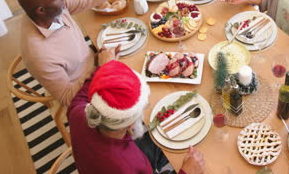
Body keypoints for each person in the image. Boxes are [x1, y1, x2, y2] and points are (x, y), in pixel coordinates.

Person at [17, 0, 156, 106]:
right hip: (86, 91)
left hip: (95, 62)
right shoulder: (38, 54)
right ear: (41, 11)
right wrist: (101, 68)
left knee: (145, 61)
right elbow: (68, 99)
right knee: (143, 92)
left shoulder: (49, 9)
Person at [68, 59, 205, 174]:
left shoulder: (78, 113)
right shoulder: (125, 166)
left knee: (163, 135)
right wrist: (186, 171)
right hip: (128, 165)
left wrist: (105, 71)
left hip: (99, 159)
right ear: (130, 124)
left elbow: (81, 95)